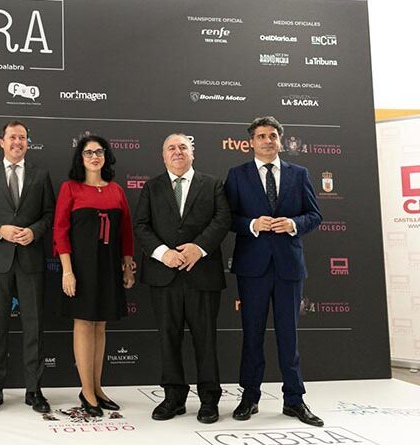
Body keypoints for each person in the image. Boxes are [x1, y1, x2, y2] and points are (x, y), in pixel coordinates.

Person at [225, 116, 324, 427]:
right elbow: (227, 218)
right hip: (252, 267)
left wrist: (294, 224)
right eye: (261, 136)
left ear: (280, 140)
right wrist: (252, 224)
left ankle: (294, 400)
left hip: (288, 267)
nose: (267, 140)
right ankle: (249, 397)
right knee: (252, 335)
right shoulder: (237, 175)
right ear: (251, 142)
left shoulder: (299, 174)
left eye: (272, 135)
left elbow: (314, 215)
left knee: (289, 337)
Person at [133, 134, 231, 424]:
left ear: (193, 152)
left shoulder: (212, 184)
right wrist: (164, 254)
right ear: (163, 156)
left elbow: (222, 220)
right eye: (171, 148)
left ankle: (209, 400)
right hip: (164, 276)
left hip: (202, 275)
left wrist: (197, 249)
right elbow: (141, 225)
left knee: (206, 340)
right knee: (168, 339)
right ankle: (173, 397)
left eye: (182, 147)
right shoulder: (151, 187)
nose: (177, 152)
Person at [0, 120, 55, 414]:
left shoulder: (41, 176)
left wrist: (34, 232)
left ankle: (35, 390)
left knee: (34, 326)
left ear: (27, 143)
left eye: (23, 138)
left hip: (30, 260)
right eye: (12, 137)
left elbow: (49, 214)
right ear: (1, 142)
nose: (18, 142)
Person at [53, 134, 135, 417]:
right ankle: (86, 391)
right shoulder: (70, 188)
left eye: (99, 152)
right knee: (85, 324)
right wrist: (67, 270)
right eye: (88, 153)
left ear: (106, 157)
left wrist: (127, 264)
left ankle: (97, 388)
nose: (94, 157)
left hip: (109, 265)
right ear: (80, 158)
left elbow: (126, 231)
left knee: (101, 325)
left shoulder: (116, 190)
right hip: (81, 266)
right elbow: (60, 230)